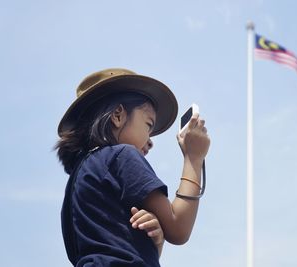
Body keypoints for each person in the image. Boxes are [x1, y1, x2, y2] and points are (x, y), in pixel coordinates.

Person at [55, 68, 210, 266]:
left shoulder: (78, 179)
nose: (150, 142)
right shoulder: (121, 156)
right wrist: (193, 158)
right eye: (148, 125)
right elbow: (178, 228)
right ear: (118, 116)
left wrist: (154, 244)